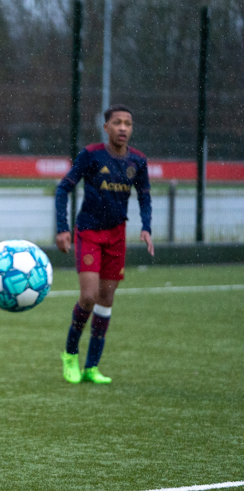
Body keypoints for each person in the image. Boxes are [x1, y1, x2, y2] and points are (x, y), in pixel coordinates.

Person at [56, 104, 154, 385]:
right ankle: (70, 354)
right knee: (88, 297)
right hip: (88, 232)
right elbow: (63, 188)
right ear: (106, 127)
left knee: (106, 300)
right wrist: (63, 229)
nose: (124, 128)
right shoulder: (91, 155)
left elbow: (145, 196)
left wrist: (146, 227)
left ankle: (91, 366)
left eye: (128, 123)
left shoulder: (138, 161)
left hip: (117, 236)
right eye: (118, 123)